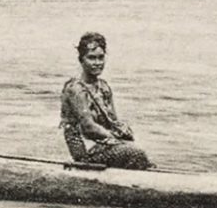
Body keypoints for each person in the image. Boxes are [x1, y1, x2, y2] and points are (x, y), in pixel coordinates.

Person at [60, 32, 152, 169]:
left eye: (101, 58)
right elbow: (88, 127)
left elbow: (113, 121)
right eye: (91, 58)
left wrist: (123, 130)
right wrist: (115, 140)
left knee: (137, 151)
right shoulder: (75, 89)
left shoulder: (104, 87)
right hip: (86, 152)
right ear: (81, 60)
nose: (97, 63)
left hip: (104, 145)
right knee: (136, 153)